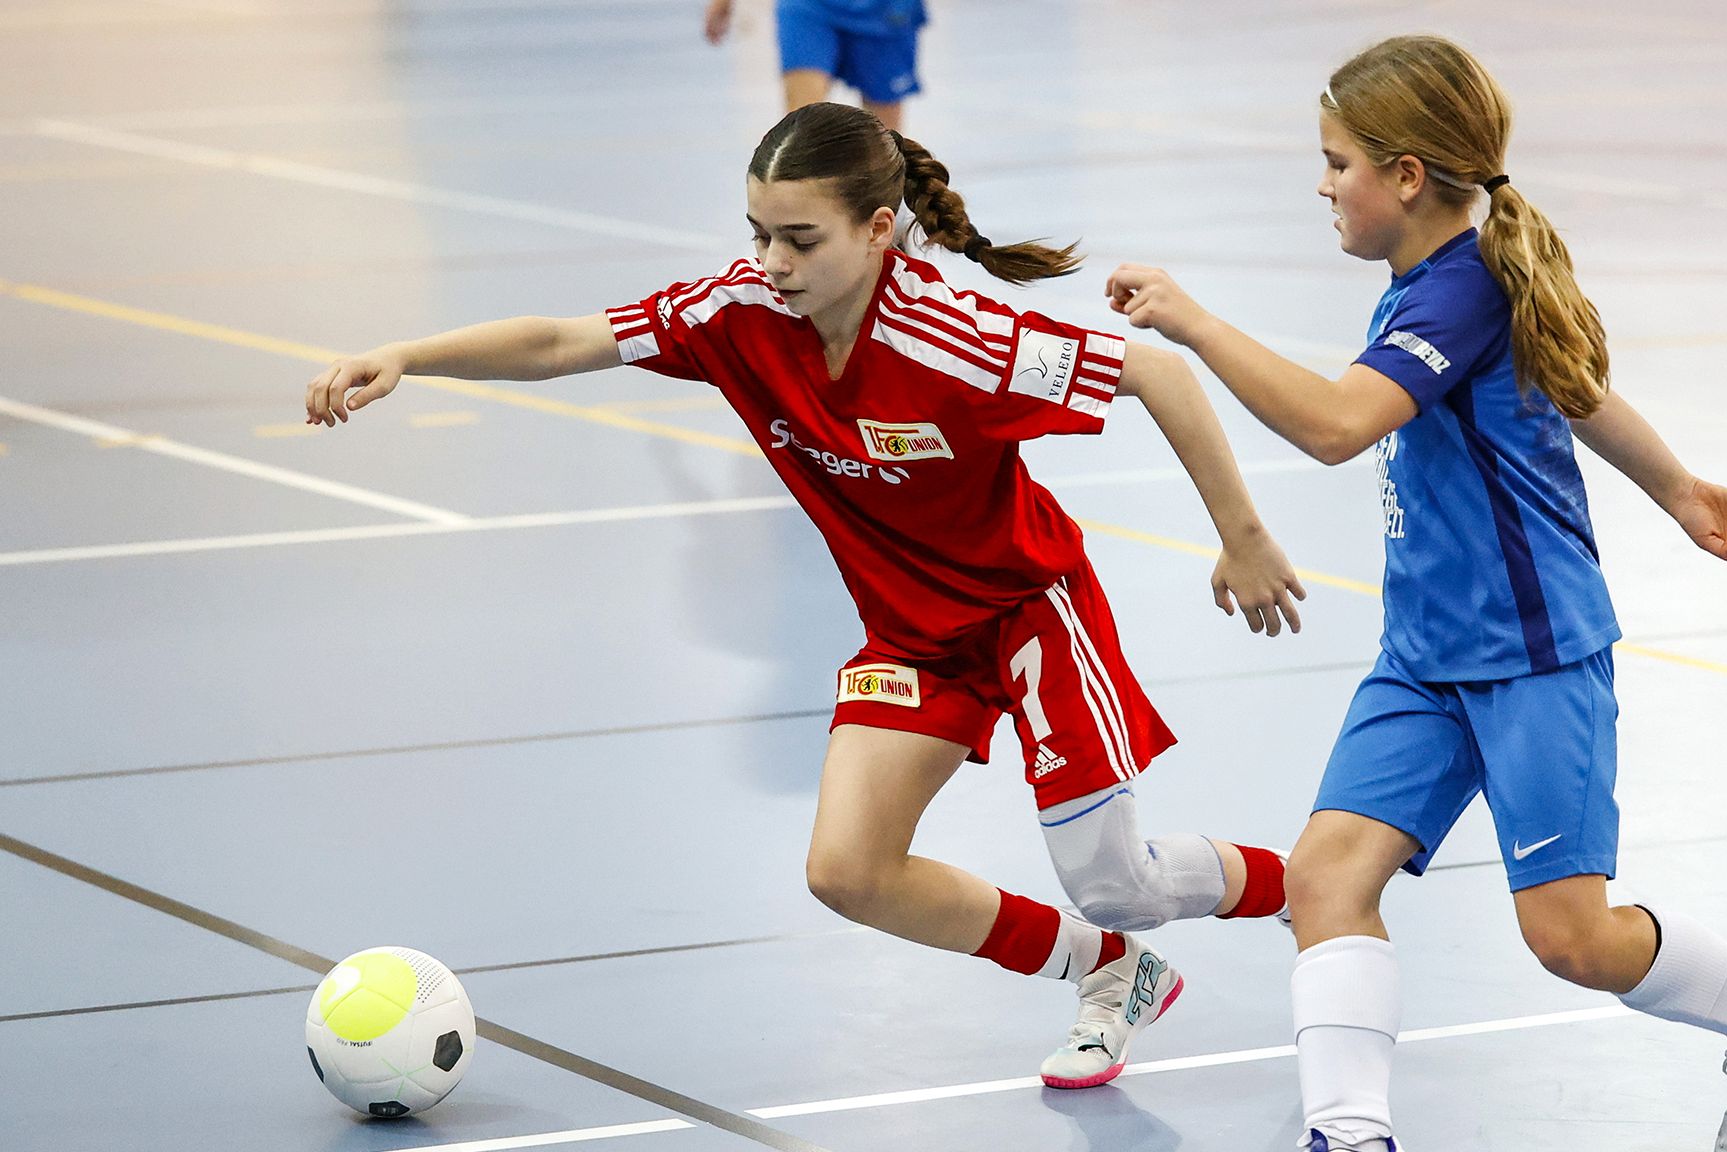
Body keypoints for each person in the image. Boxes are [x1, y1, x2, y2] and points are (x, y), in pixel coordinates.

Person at [304, 101, 1306, 1090]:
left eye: (798, 239)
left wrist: (1243, 537)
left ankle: (1306, 886)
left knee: (1115, 883)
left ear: (877, 232)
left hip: (1025, 611)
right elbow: (562, 342)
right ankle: (1107, 973)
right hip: (909, 633)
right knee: (848, 872)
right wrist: (408, 355)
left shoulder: (954, 337)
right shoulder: (737, 314)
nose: (771, 262)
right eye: (757, 234)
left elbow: (1160, 374)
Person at [1104, 34, 1727, 1151]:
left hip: (1530, 657)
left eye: (1335, 160)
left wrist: (1193, 320)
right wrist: (1679, 490)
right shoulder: (1436, 282)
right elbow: (1577, 392)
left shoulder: (1456, 293)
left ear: (1406, 176)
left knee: (1571, 940)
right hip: (1423, 655)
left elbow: (1335, 427)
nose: (1320, 183)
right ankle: (1347, 1134)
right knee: (1325, 880)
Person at [705, 0, 925, 130]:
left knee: (883, 136)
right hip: (809, 6)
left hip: (884, 11)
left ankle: (879, 201)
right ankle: (801, 203)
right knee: (802, 124)